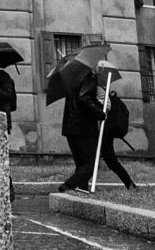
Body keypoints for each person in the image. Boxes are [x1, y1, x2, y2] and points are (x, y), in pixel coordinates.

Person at [56, 49, 136, 192]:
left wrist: (100, 108)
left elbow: (95, 103)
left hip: (77, 129)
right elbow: (85, 99)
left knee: (87, 163)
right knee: (91, 164)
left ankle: (81, 187)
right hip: (84, 128)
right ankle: (70, 186)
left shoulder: (75, 83)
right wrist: (100, 113)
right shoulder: (88, 80)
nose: (97, 69)